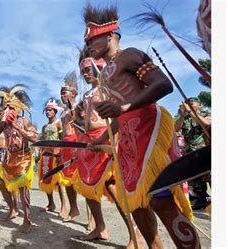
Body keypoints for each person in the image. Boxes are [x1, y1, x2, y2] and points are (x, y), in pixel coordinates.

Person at [83, 4, 199, 248]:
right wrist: (100, 139)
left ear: (111, 35)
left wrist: (125, 108)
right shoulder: (104, 75)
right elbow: (117, 117)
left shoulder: (131, 55)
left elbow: (162, 84)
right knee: (135, 202)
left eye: (93, 39)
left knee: (160, 197)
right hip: (128, 139)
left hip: (149, 128)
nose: (89, 46)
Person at [74, 51, 144, 247]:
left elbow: (116, 117)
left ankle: (135, 234)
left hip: (107, 138)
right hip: (90, 142)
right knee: (88, 188)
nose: (85, 74)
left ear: (97, 67)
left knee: (112, 186)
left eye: (88, 70)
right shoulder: (89, 94)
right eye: (83, 71)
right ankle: (100, 228)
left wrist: (110, 138)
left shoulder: (107, 88)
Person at [0, 84, 38, 233]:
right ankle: (13, 209)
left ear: (18, 107)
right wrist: (1, 125)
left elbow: (34, 139)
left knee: (24, 188)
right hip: (9, 158)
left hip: (24, 157)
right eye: (7, 106)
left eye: (11, 106)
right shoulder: (4, 125)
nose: (9, 109)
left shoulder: (24, 121)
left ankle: (27, 219)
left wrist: (18, 128)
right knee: (2, 184)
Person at [175, 96, 211, 210]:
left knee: (209, 175)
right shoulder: (185, 118)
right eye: (186, 103)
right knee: (196, 179)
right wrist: (181, 116)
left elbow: (205, 123)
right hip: (190, 152)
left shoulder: (206, 114)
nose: (188, 104)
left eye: (191, 102)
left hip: (203, 150)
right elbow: (176, 129)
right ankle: (200, 200)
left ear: (200, 105)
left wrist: (190, 111)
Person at [37, 98, 68, 219]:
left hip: (56, 154)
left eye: (50, 110)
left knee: (59, 181)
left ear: (55, 111)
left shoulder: (59, 123)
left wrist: (61, 154)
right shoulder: (44, 127)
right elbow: (43, 141)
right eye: (46, 110)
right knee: (46, 179)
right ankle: (51, 203)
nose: (48, 112)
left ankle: (64, 207)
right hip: (45, 155)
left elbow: (62, 139)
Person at [58, 72, 82, 222]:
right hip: (65, 146)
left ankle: (93, 219)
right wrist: (61, 149)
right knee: (67, 179)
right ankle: (74, 208)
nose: (62, 96)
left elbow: (81, 126)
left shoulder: (79, 107)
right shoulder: (63, 113)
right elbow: (63, 133)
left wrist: (72, 106)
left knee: (83, 179)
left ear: (73, 94)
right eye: (60, 94)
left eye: (64, 93)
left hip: (77, 143)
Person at [0, 132, 20, 217]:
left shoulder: (9, 146)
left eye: (2, 139)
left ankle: (15, 207)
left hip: (7, 169)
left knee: (13, 188)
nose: (0, 141)